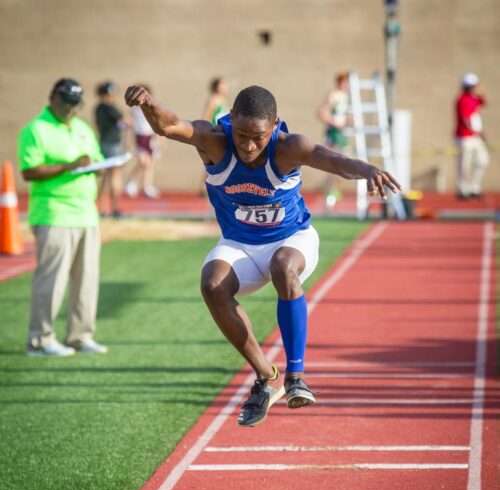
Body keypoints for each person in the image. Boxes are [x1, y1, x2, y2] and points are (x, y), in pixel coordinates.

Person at [124, 84, 400, 426]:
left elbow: (334, 160)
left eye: (258, 136)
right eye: (241, 134)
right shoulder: (214, 140)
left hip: (292, 239)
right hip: (240, 244)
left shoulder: (288, 147)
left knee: (283, 267)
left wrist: (367, 170)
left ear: (275, 126)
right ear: (229, 121)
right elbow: (170, 126)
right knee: (212, 285)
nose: (249, 144)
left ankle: (296, 376)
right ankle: (266, 377)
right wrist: (148, 104)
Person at [17, 78, 108, 356]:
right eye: (66, 103)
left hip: (86, 215)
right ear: (53, 97)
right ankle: (40, 339)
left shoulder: (82, 128)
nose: (71, 109)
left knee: (87, 282)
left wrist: (98, 167)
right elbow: (29, 171)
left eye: (76, 105)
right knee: (51, 281)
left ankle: (80, 336)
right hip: (54, 214)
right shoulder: (36, 129)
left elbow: (96, 160)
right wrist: (70, 166)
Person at [317, 72, 350, 209]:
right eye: (343, 82)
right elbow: (321, 113)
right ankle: (330, 194)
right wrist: (334, 122)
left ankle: (333, 189)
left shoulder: (346, 96)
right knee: (334, 164)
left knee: (346, 161)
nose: (345, 85)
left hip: (342, 134)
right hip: (334, 134)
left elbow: (345, 115)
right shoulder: (334, 95)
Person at [95, 80, 127, 217]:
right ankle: (115, 208)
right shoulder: (109, 107)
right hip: (113, 144)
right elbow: (124, 120)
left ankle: (101, 208)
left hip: (103, 143)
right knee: (115, 176)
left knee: (104, 177)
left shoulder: (98, 108)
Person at [454, 72, 489, 199]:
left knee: (482, 160)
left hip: (475, 137)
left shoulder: (474, 98)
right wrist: (479, 132)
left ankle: (473, 187)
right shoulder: (462, 99)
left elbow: (484, 101)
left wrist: (481, 90)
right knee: (464, 165)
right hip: (464, 137)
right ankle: (463, 190)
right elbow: (466, 119)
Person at [124, 84, 161, 199]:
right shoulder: (135, 108)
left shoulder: (152, 106)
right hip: (141, 137)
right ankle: (131, 182)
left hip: (150, 137)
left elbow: (157, 122)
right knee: (143, 162)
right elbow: (129, 120)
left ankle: (147, 186)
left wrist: (159, 138)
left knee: (150, 164)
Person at [199, 77, 230, 197]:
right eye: (223, 85)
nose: (225, 88)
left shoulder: (223, 101)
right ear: (217, 86)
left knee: (217, 161)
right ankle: (203, 187)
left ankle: (209, 187)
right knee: (211, 161)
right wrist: (206, 132)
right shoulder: (212, 100)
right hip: (213, 134)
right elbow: (206, 117)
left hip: (222, 134)